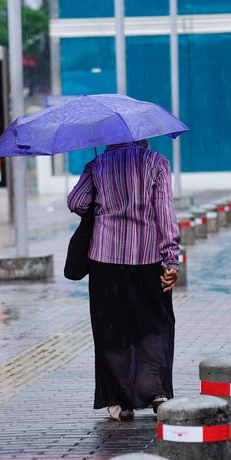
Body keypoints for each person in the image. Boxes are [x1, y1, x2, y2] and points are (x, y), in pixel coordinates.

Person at [67, 139, 180, 421]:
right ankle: (154, 390)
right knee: (153, 325)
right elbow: (165, 214)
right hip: (147, 259)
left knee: (111, 330)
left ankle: (119, 402)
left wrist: (101, 197)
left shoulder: (97, 165)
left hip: (104, 261)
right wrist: (171, 260)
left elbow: (76, 201)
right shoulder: (157, 163)